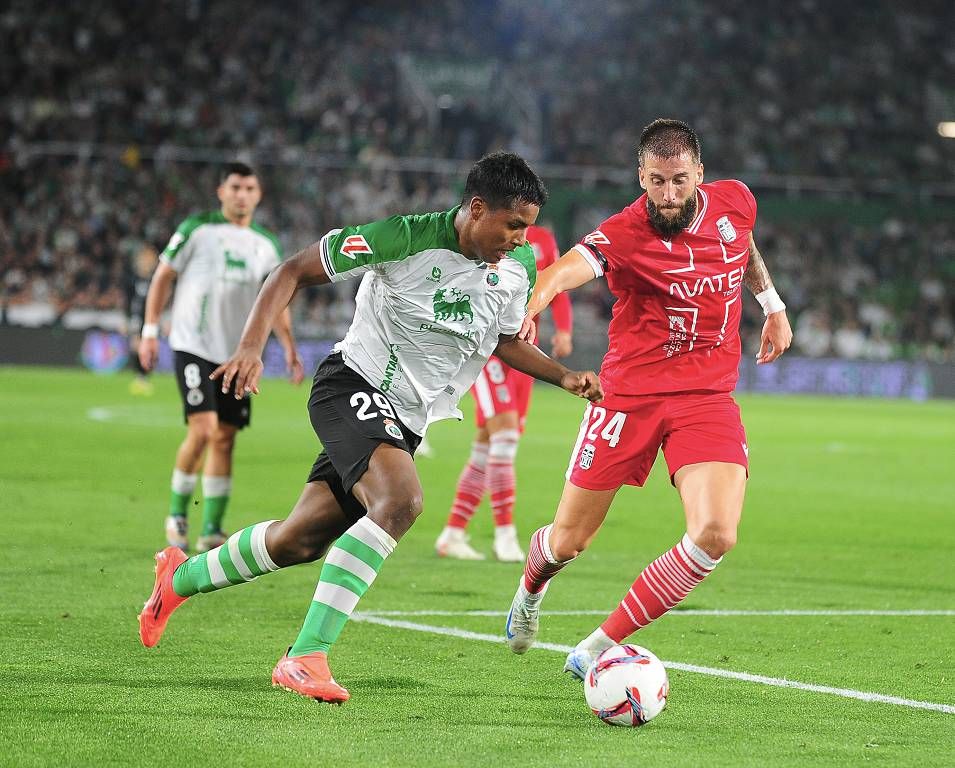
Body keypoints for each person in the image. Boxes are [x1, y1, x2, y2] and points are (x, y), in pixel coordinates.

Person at [138, 152, 603, 704]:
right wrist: (250, 347)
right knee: (401, 499)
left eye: (528, 227)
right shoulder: (402, 237)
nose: (523, 239)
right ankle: (305, 656)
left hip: (403, 420)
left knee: (299, 539)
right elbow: (290, 271)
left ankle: (178, 580)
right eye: (514, 225)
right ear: (476, 209)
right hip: (350, 386)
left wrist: (563, 376)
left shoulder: (516, 266)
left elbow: (504, 340)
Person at [502, 119, 793, 678]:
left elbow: (745, 245)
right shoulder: (625, 232)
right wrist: (531, 305)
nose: (668, 195)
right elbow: (565, 271)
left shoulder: (735, 202)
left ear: (699, 174)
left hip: (706, 396)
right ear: (641, 176)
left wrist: (773, 304)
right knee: (569, 539)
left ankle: (595, 646)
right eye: (656, 181)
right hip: (628, 395)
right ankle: (531, 585)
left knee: (716, 534)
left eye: (679, 181)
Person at [139, 162, 304, 554]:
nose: (241, 194)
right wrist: (148, 331)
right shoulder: (197, 228)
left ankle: (212, 527)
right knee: (202, 429)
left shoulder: (266, 244)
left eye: (249, 188)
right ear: (221, 191)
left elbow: (278, 299)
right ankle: (177, 515)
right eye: (235, 187)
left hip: (238, 355)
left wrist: (289, 345)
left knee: (225, 438)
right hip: (193, 345)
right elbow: (163, 276)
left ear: (258, 195)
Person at [435, 224, 573, 561]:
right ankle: (505, 535)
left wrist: (564, 330)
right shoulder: (483, 233)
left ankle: (453, 532)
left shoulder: (541, 239)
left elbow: (554, 285)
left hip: (523, 350)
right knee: (506, 436)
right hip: (489, 348)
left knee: (487, 444)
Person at [125, 245, 158, 396]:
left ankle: (144, 378)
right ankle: (140, 378)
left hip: (150, 320)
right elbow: (128, 301)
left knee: (148, 350)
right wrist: (126, 319)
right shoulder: (132, 279)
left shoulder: (155, 279)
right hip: (136, 319)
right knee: (135, 347)